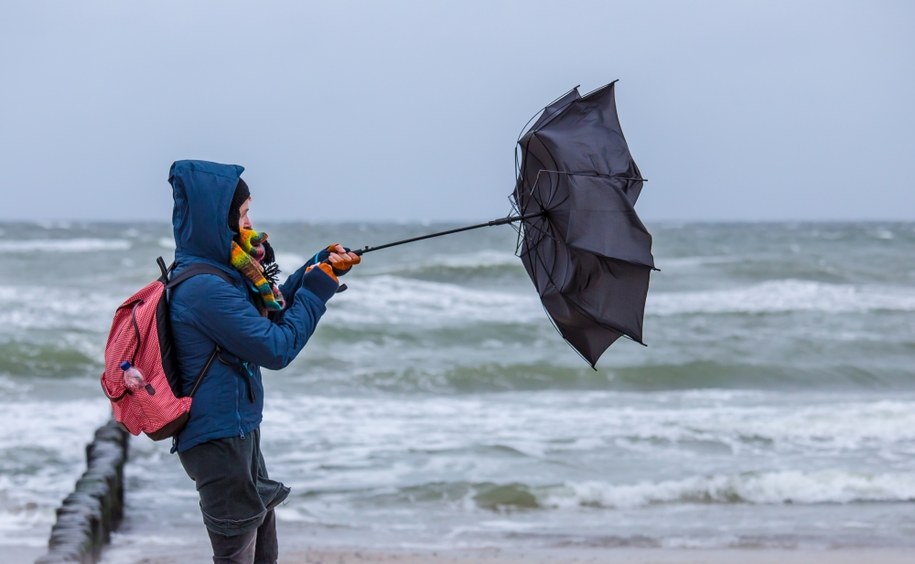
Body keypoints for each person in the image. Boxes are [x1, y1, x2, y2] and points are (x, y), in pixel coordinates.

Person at [166, 160, 360, 563]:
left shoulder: (225, 270)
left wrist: (316, 267)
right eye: (243, 213)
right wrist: (318, 291)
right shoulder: (204, 288)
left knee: (263, 547)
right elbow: (276, 347)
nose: (250, 221)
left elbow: (271, 310)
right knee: (238, 553)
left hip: (238, 431)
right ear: (218, 219)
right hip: (219, 442)